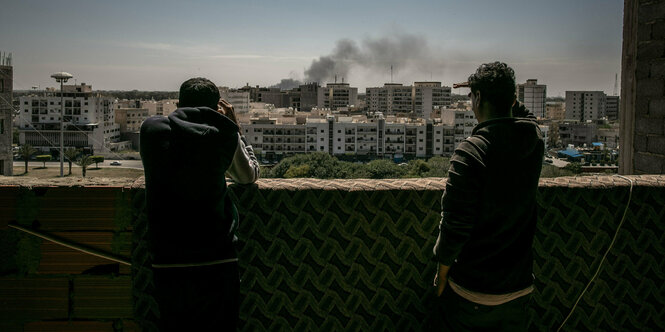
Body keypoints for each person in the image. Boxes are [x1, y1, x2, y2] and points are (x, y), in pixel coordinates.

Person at [140, 77, 259, 331]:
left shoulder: (150, 130)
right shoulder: (223, 135)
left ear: (177, 104)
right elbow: (247, 176)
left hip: (167, 259)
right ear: (217, 108)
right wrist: (233, 126)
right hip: (217, 258)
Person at [432, 62, 544, 331]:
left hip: (475, 292)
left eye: (472, 96)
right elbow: (529, 120)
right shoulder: (533, 141)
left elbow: (455, 226)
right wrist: (501, 92)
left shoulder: (471, 152)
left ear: (478, 97)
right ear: (513, 99)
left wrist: (442, 274)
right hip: (519, 288)